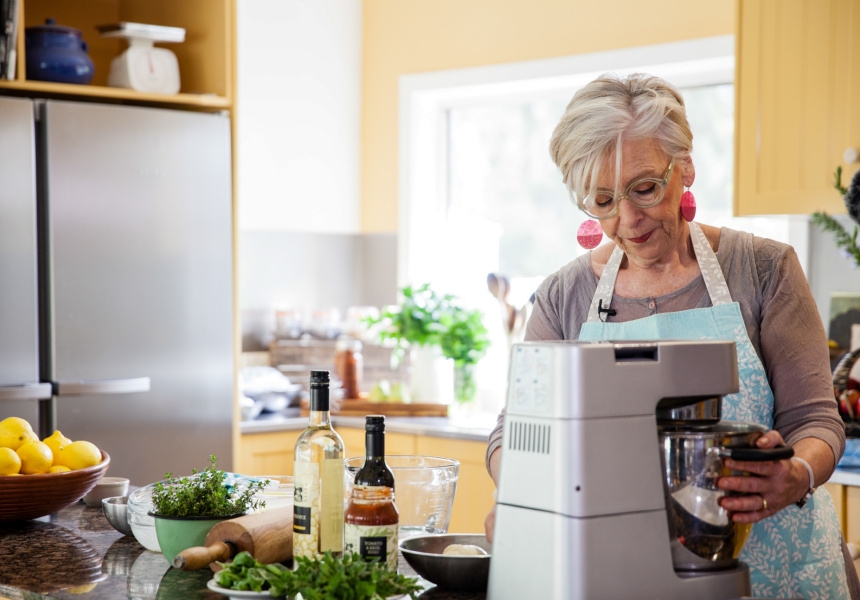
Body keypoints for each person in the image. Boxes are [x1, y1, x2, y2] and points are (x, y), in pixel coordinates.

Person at [484, 73, 860, 599]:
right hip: (620, 573)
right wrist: (521, 499)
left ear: (684, 167)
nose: (628, 219)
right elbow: (515, 433)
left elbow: (815, 420)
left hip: (778, 574)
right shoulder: (563, 296)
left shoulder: (764, 268)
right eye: (603, 201)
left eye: (644, 189)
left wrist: (796, 472)